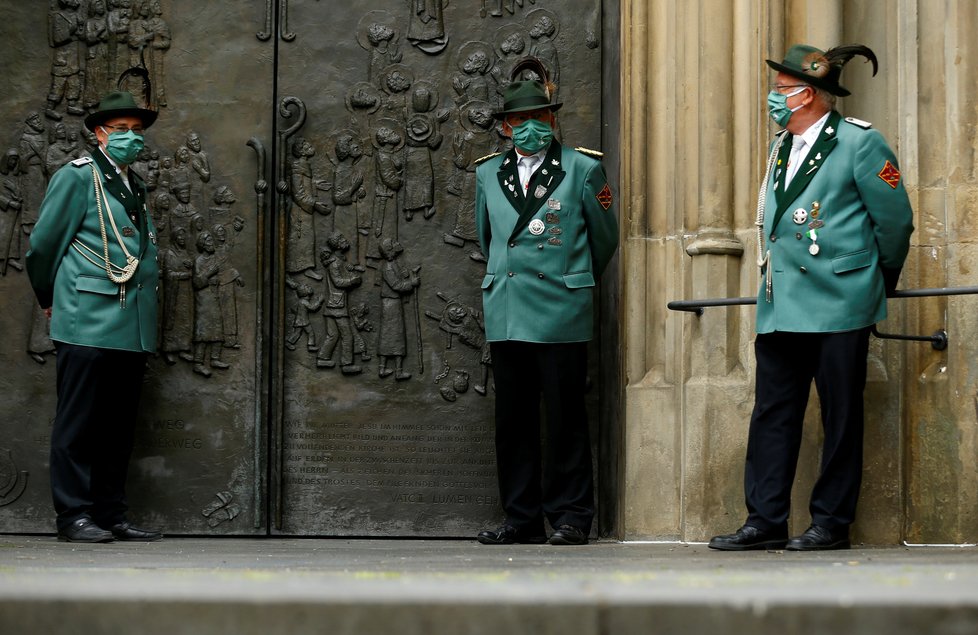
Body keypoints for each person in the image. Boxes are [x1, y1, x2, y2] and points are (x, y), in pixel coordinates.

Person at [708, 44, 914, 552]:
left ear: (811, 94)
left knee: (840, 415)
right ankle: (764, 519)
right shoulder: (783, 145)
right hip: (783, 301)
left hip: (841, 299)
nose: (774, 100)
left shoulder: (859, 144)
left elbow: (895, 221)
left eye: (782, 92)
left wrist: (874, 282)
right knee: (773, 412)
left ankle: (831, 522)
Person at [473, 61, 619, 546]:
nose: (532, 126)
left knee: (565, 419)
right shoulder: (489, 174)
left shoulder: (581, 167)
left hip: (560, 309)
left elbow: (603, 240)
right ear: (505, 127)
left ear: (553, 120)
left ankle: (572, 516)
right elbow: (489, 236)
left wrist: (572, 281)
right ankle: (521, 519)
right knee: (512, 422)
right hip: (509, 309)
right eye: (521, 120)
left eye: (542, 116)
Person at [26, 91, 163, 543]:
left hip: (131, 321)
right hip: (86, 316)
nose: (130, 138)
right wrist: (50, 297)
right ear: (98, 133)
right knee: (79, 422)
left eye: (137, 131)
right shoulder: (77, 177)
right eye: (120, 129)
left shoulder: (133, 184)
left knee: (118, 427)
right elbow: (44, 247)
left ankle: (110, 513)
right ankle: (74, 517)